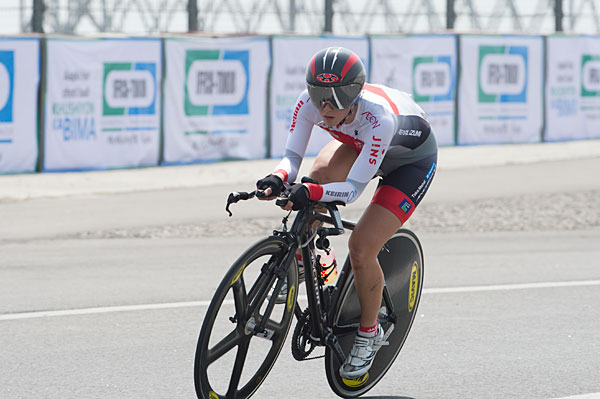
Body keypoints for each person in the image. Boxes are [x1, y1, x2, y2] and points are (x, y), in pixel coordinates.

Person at [256, 46, 438, 380]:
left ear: (353, 96)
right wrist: (279, 177)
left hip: (410, 163)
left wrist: (308, 192)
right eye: (319, 96)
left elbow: (353, 191)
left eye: (335, 99)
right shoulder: (309, 104)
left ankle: (370, 334)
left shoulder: (377, 119)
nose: (325, 107)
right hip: (362, 145)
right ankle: (310, 260)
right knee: (316, 179)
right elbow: (292, 157)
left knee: (362, 246)